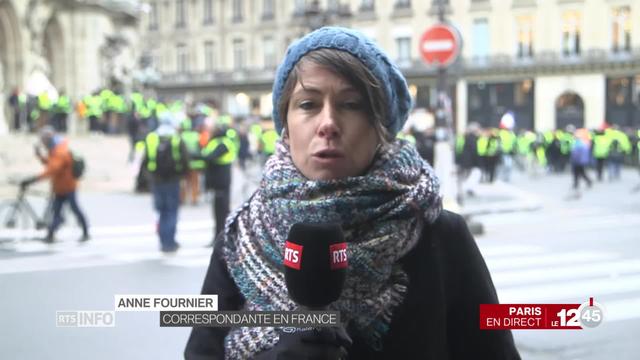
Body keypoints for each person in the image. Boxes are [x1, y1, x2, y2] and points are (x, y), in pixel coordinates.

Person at [185, 27, 520, 359]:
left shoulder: (442, 236)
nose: (328, 123)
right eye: (308, 104)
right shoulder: (240, 237)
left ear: (382, 128)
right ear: (285, 127)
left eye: (351, 104)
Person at [20, 126, 89, 243]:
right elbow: (50, 164)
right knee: (56, 211)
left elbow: (52, 169)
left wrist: (33, 179)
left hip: (68, 187)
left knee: (74, 209)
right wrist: (40, 156)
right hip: (59, 187)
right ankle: (51, 234)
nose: (43, 143)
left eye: (43, 140)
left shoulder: (60, 151)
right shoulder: (54, 150)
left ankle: (86, 232)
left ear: (48, 139)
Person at [140, 113, 190, 252]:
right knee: (172, 211)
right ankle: (170, 242)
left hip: (156, 180)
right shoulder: (176, 138)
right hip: (173, 180)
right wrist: (183, 175)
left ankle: (163, 241)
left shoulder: (151, 138)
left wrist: (147, 178)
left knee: (161, 211)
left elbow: (144, 161)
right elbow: (185, 159)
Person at [202, 124, 237, 244]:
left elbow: (210, 157)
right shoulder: (216, 142)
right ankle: (219, 237)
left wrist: (200, 156)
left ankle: (223, 238)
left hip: (222, 182)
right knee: (218, 212)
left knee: (222, 213)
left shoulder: (223, 143)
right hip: (217, 183)